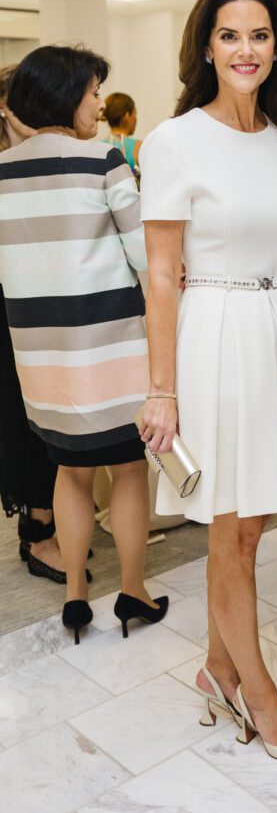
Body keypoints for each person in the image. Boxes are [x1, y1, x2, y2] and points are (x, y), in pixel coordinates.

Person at [139, 0, 277, 762]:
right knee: (236, 531)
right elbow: (160, 272)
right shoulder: (174, 139)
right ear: (206, 48)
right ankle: (260, 697)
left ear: (276, 44)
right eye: (228, 35)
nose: (244, 49)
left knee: (256, 519)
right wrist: (161, 389)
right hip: (213, 334)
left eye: (258, 34)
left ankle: (216, 668)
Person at [0, 46, 167, 644]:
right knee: (125, 470)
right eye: (94, 92)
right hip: (111, 348)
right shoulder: (102, 161)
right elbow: (147, 262)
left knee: (69, 472)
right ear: (68, 96)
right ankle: (132, 591)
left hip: (41, 359)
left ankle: (75, 597)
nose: (99, 103)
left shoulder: (3, 169)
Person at [0, 66, 66, 583]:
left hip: (45, 308)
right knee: (21, 422)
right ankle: (37, 532)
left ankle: (50, 523)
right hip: (8, 312)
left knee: (48, 418)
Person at [101, 92, 142, 173]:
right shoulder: (138, 147)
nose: (136, 119)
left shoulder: (98, 146)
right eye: (135, 113)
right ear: (127, 116)